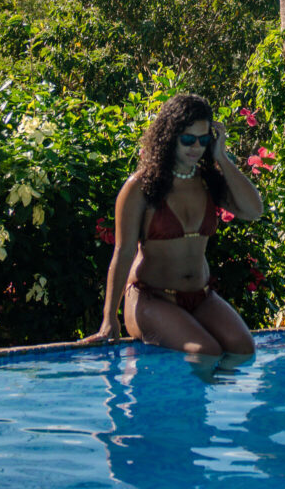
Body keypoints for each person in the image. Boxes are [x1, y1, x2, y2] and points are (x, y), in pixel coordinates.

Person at [87, 93, 263, 362]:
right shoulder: (140, 187)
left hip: (200, 297)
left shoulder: (209, 183)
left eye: (204, 140)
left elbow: (254, 211)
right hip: (150, 299)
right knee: (206, 352)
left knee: (243, 348)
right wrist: (109, 319)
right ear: (170, 137)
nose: (196, 147)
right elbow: (122, 253)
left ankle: (208, 400)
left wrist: (222, 158)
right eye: (188, 139)